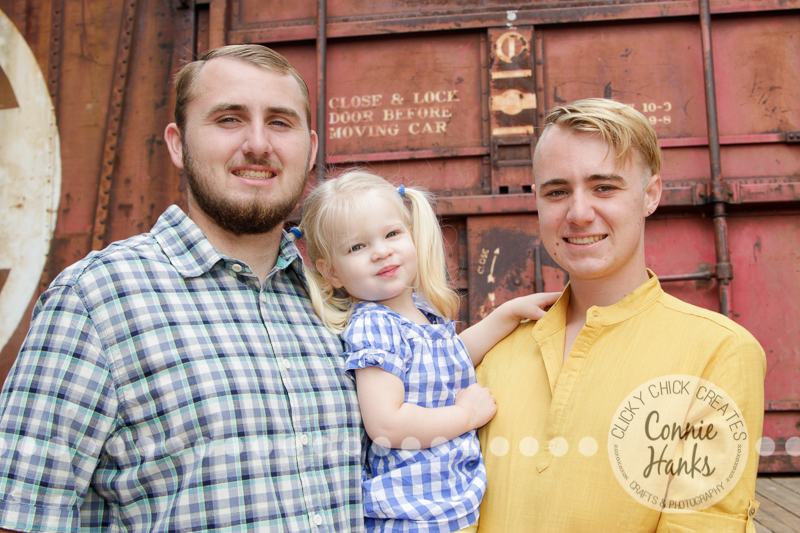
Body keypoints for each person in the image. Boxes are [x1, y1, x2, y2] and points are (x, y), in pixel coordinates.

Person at [0, 45, 364, 532]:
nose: (258, 144)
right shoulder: (97, 299)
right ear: (177, 144)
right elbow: (19, 514)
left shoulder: (340, 299)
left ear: (311, 149)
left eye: (280, 122)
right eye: (229, 119)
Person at [476, 98, 766, 531]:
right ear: (536, 201)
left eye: (604, 188)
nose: (578, 214)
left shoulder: (720, 351)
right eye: (557, 192)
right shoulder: (494, 347)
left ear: (651, 195)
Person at [297, 170, 558, 532]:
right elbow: (387, 424)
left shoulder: (420, 312)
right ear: (332, 273)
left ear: (412, 235)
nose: (381, 252)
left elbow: (451, 358)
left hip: (447, 506)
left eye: (392, 234)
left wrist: (507, 314)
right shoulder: (375, 326)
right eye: (357, 247)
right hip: (413, 515)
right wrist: (465, 415)